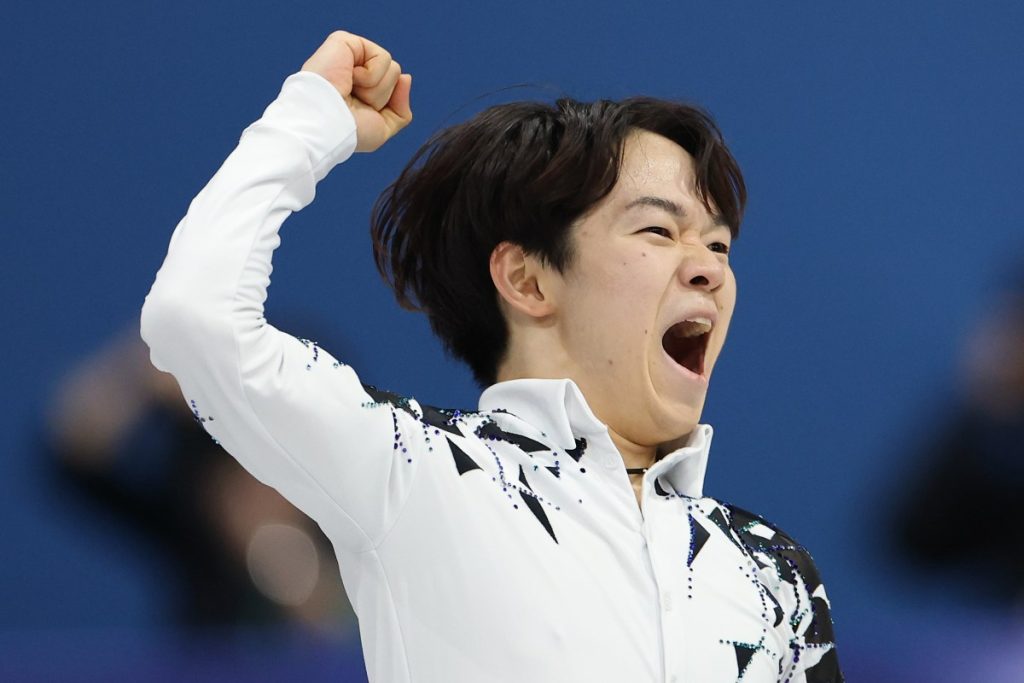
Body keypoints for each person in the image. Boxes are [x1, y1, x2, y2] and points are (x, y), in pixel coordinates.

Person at [141, 30, 842, 682]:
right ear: (527, 280)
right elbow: (194, 316)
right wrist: (310, 119)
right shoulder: (416, 471)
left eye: (719, 244)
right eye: (659, 230)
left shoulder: (773, 574)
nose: (710, 268)